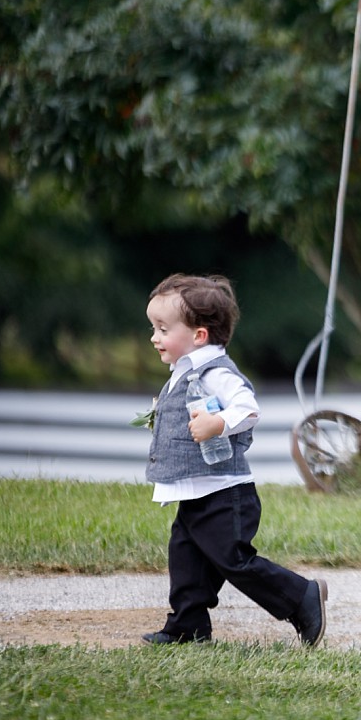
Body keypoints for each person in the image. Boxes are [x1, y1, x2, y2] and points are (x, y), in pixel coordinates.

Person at [141, 273, 327, 646]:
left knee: (233, 559)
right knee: (186, 557)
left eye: (162, 329)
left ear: (199, 336)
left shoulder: (216, 373)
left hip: (226, 494)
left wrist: (217, 423)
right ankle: (188, 626)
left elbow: (249, 409)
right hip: (197, 492)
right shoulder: (184, 373)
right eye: (153, 328)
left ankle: (301, 597)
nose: (154, 337)